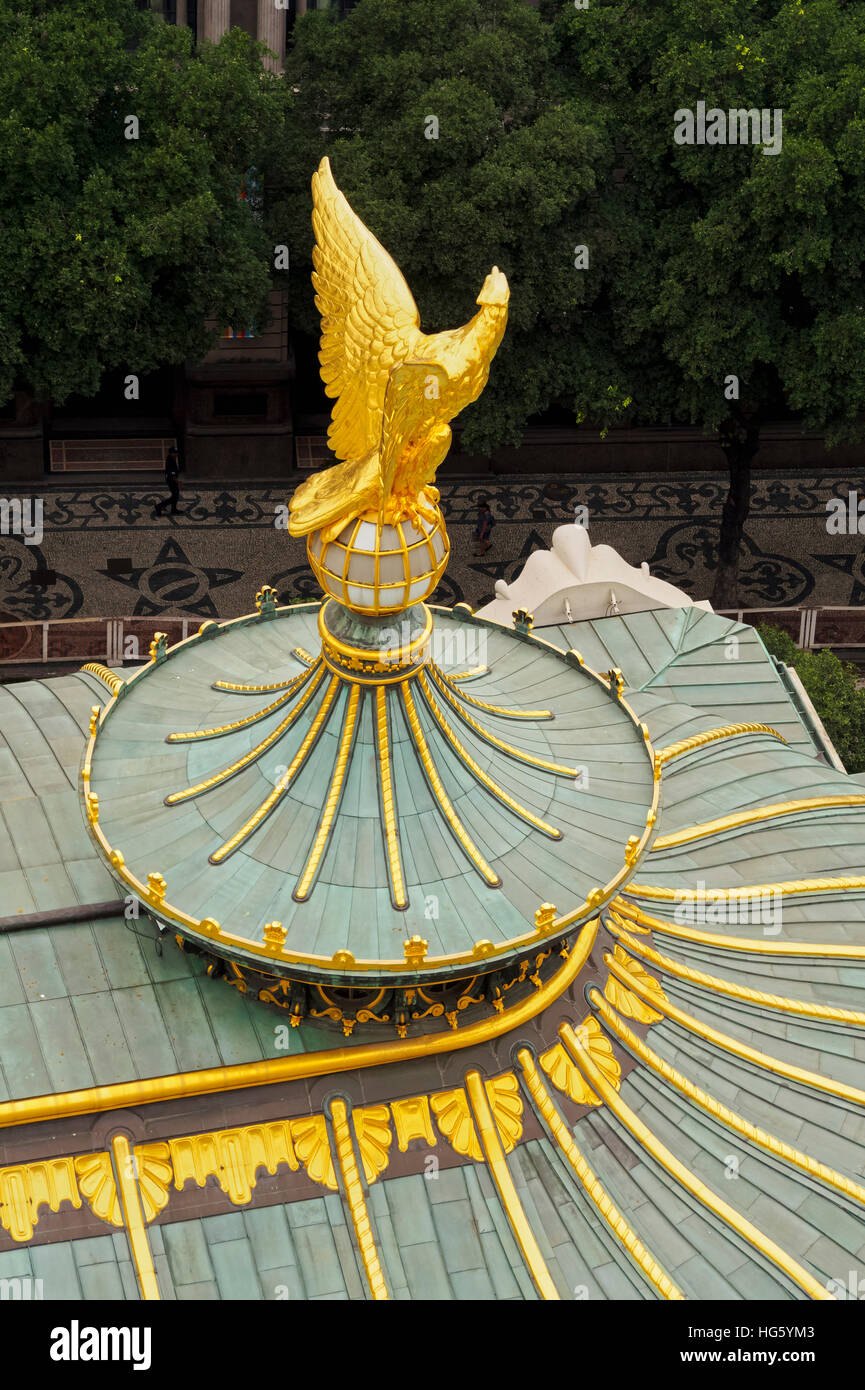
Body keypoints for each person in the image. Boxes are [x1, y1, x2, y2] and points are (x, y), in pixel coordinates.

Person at [154, 445, 181, 516]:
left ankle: (173, 509)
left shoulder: (171, 458)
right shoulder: (171, 461)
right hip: (171, 480)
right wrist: (179, 483)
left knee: (175, 495)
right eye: (176, 453)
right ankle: (159, 506)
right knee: (174, 496)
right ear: (172, 453)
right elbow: (173, 475)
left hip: (171, 479)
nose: (177, 454)